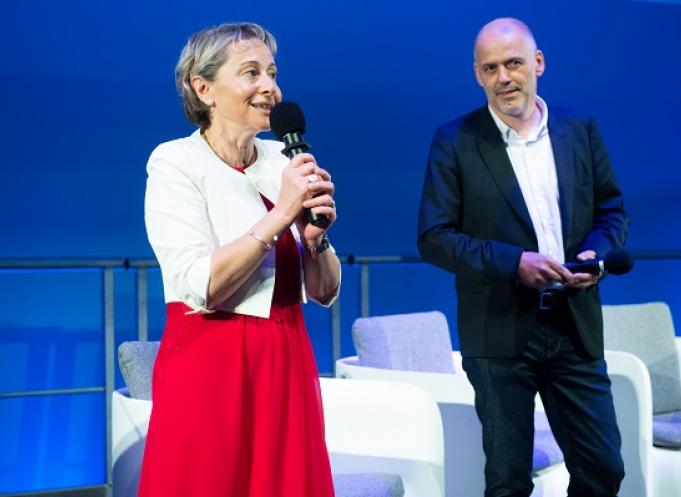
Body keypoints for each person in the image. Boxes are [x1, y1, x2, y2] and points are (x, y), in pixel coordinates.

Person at [417, 18, 629, 497]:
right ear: (477, 74)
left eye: (513, 63)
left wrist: (598, 251)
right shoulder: (455, 140)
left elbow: (612, 210)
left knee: (603, 471)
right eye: (490, 68)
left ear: (538, 63)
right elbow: (434, 236)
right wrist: (515, 263)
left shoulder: (580, 130)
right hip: (498, 334)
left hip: (574, 326)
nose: (504, 78)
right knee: (509, 482)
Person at [139, 22, 340, 497]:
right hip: (211, 363)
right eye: (250, 73)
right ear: (203, 87)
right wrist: (284, 213)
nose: (269, 87)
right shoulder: (175, 163)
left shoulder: (282, 160)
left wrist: (315, 239)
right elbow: (202, 284)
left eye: (272, 72)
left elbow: (325, 291)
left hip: (286, 356)